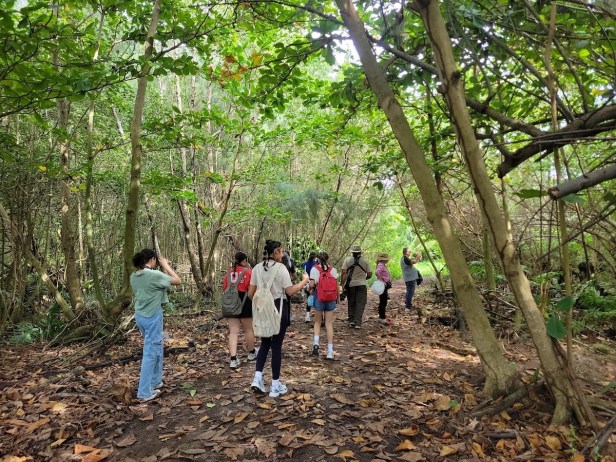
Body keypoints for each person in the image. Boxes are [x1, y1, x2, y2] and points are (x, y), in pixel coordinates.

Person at [248, 240, 309, 398]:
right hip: (279, 308)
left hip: (263, 309)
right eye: (281, 251)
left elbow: (250, 294)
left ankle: (257, 378)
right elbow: (290, 291)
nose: (283, 254)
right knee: (276, 346)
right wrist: (304, 281)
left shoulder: (256, 268)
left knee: (264, 344)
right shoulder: (281, 269)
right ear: (274, 252)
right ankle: (275, 385)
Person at [130, 248, 181, 402]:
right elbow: (177, 280)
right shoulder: (154, 275)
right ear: (152, 260)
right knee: (151, 352)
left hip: (140, 316)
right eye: (156, 261)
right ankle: (144, 392)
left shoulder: (134, 276)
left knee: (157, 346)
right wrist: (166, 266)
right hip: (152, 317)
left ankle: (155, 381)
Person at [222, 251, 257, 369]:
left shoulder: (228, 273)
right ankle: (251, 353)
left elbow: (224, 289)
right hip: (245, 301)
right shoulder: (248, 272)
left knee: (233, 331)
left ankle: (233, 358)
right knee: (248, 330)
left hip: (230, 303)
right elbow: (252, 289)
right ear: (244, 261)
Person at [308, 252, 338, 359]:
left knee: (317, 322)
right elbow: (336, 285)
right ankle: (330, 351)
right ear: (327, 259)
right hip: (331, 299)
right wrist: (337, 298)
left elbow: (312, 284)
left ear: (318, 259)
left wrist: (309, 289)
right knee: (329, 324)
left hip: (319, 297)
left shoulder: (315, 269)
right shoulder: (333, 270)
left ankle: (316, 346)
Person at [340, 245, 372, 329]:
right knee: (360, 303)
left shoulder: (347, 260)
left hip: (351, 285)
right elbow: (369, 274)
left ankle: (351, 321)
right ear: (360, 252)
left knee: (351, 302)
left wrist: (342, 284)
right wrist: (364, 278)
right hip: (362, 284)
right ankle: (357, 322)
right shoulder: (365, 261)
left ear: (352, 252)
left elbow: (343, 273)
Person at [401, 247, 422, 313]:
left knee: (409, 291)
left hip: (409, 278)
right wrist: (418, 255)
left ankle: (407, 304)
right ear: (406, 252)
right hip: (410, 279)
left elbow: (414, 261)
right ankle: (407, 307)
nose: (410, 252)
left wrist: (418, 257)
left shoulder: (405, 259)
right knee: (410, 292)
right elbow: (414, 261)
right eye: (409, 251)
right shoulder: (405, 258)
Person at [375, 253, 392, 326]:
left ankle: (381, 317)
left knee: (383, 301)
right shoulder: (381, 265)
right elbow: (377, 272)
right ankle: (382, 318)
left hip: (384, 285)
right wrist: (381, 280)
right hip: (383, 285)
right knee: (383, 302)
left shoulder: (382, 265)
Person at [301, 251, 318, 322]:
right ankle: (319, 317)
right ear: (315, 257)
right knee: (317, 299)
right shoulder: (316, 264)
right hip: (315, 283)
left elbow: (303, 273)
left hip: (307, 283)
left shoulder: (304, 264)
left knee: (309, 299)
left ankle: (307, 316)